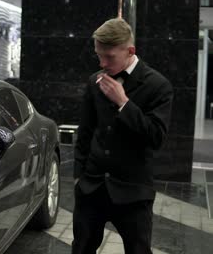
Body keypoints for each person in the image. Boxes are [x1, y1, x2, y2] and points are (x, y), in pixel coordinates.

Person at [72, 18, 174, 254]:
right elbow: (85, 133)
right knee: (81, 249)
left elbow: (156, 137)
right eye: (99, 55)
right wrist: (79, 177)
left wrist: (124, 102)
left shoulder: (158, 86)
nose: (102, 63)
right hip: (92, 188)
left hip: (133, 192)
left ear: (130, 51)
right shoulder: (94, 81)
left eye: (109, 57)